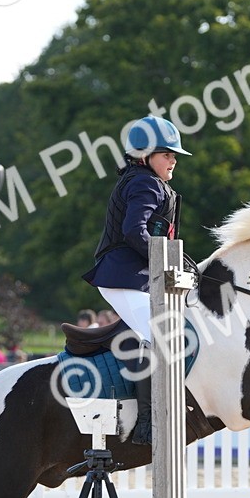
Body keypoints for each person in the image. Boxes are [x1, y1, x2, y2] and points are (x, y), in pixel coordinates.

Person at [81, 115, 189, 445]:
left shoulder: (148, 181)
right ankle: (148, 421)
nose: (172, 159)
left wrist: (187, 267)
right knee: (162, 333)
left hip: (133, 275)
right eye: (166, 154)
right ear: (144, 155)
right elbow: (133, 231)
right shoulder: (145, 183)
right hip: (122, 275)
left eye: (173, 155)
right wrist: (169, 264)